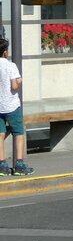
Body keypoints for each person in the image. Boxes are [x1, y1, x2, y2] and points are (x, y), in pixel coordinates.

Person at [0, 38, 32, 175]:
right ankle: (19, 164)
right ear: (5, 53)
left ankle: (2, 165)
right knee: (18, 133)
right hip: (11, 105)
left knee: (0, 135)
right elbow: (14, 86)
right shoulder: (10, 66)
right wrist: (19, 81)